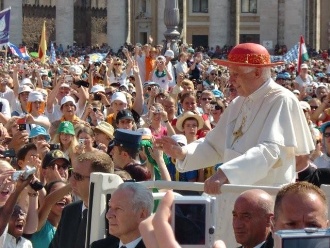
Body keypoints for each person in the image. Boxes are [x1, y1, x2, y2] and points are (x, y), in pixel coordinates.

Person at [155, 43, 314, 194]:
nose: (230, 80)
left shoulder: (281, 99)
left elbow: (271, 150)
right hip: (233, 196)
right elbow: (214, 145)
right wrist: (183, 152)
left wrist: (225, 174)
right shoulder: (238, 103)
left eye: (235, 74)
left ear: (257, 73)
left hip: (266, 199)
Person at [49, 151, 114, 248]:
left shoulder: (113, 216)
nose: (71, 181)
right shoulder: (69, 211)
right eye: (72, 173)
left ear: (98, 179)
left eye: (78, 177)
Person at [91, 182, 153, 248]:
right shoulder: (99, 246)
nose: (108, 215)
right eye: (110, 207)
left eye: (118, 208)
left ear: (142, 215)